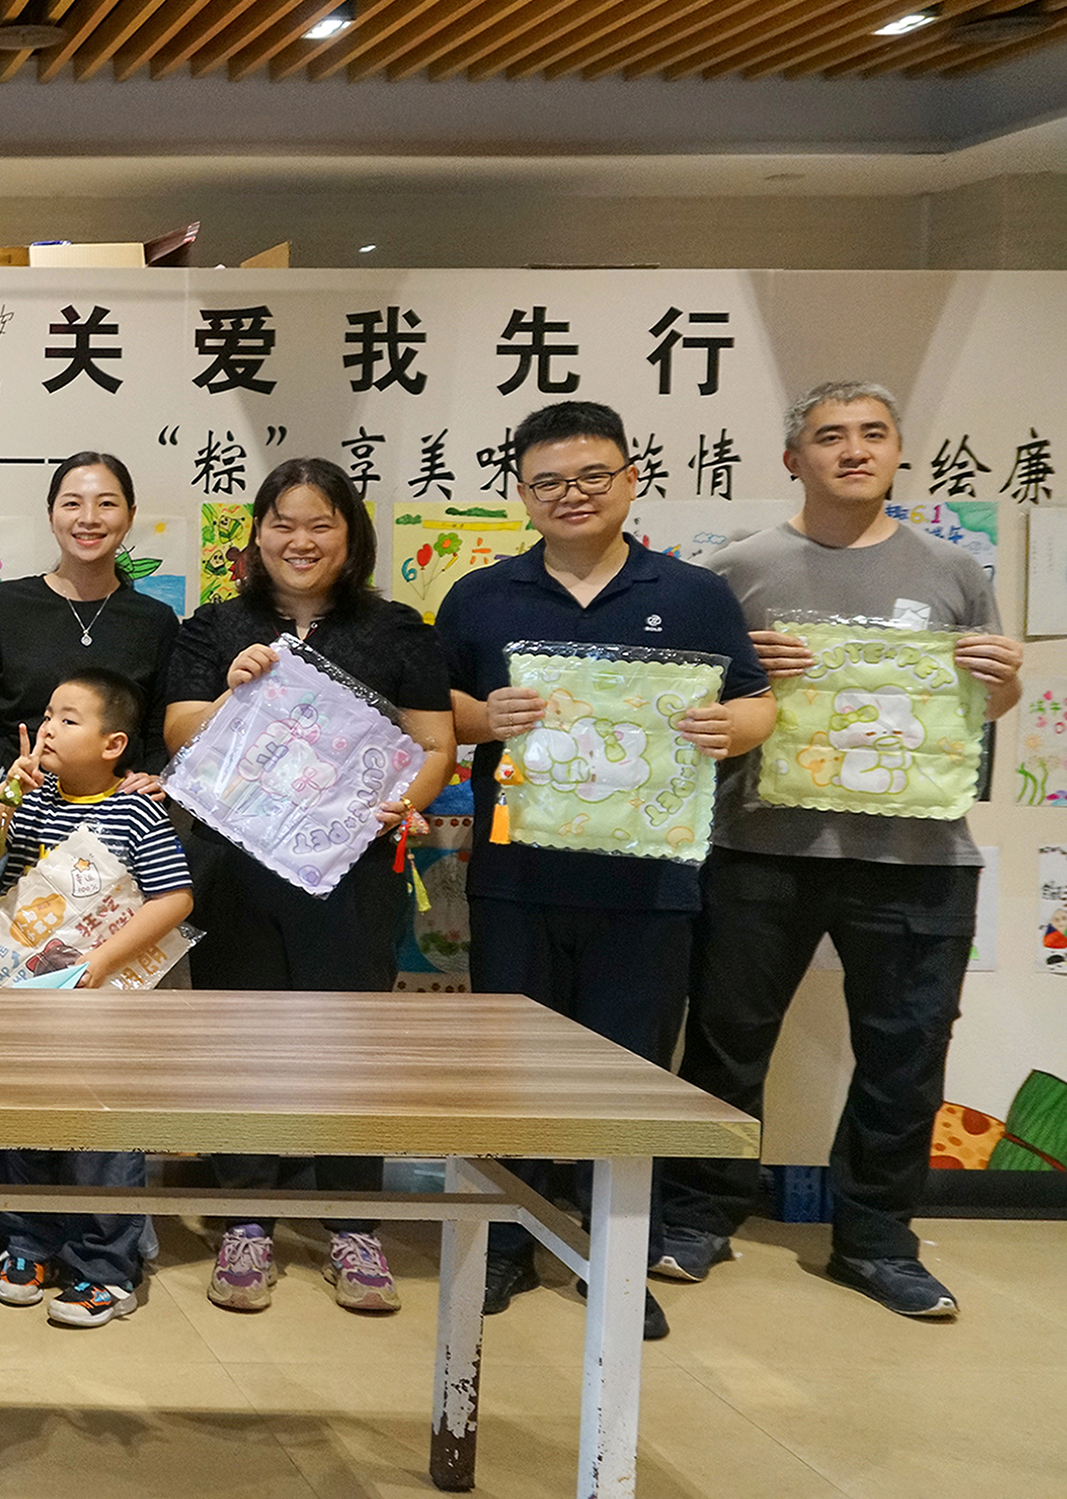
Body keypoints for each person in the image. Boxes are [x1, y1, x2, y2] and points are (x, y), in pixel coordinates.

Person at [657, 382, 1021, 1320]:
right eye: (828, 436)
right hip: (758, 844)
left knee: (905, 1056)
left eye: (871, 433)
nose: (852, 450)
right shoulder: (734, 570)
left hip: (921, 858)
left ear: (897, 450)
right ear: (793, 458)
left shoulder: (953, 568)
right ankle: (696, 1217)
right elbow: (691, 701)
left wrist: (1002, 681)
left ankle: (876, 1241)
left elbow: (980, 712)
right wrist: (743, 677)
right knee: (726, 1043)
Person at [436, 401, 773, 1341]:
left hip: (650, 886)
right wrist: (483, 717)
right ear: (521, 493)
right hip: (515, 876)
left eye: (591, 475)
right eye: (547, 481)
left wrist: (730, 727)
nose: (571, 495)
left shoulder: (696, 593)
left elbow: (755, 703)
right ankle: (502, 1240)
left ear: (630, 479)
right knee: (507, 1068)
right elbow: (435, 708)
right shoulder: (481, 596)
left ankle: (618, 1253)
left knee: (631, 1073)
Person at [163, 456, 454, 1317]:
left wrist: (404, 801)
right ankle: (246, 1219)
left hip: (349, 871)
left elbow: (434, 744)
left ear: (350, 537)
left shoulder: (397, 630)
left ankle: (352, 1222)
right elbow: (177, 730)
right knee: (240, 1041)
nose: (300, 540)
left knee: (349, 1044)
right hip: (235, 869)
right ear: (256, 535)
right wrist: (232, 691)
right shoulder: (214, 627)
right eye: (283, 523)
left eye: (320, 523)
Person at [0, 669, 195, 1329]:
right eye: (46, 715)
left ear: (113, 743)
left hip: (102, 1005)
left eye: (68, 719)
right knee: (20, 1122)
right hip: (25, 998)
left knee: (103, 1133)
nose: (48, 729)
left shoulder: (136, 809)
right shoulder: (32, 797)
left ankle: (107, 1267)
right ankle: (25, 1243)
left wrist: (100, 961)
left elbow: (175, 898)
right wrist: (4, 794)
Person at [0, 452, 180, 788]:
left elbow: (158, 734)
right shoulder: (4, 604)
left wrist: (155, 780)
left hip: (113, 803)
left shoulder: (156, 621)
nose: (89, 518)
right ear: (51, 515)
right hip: (12, 794)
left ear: (130, 516)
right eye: (72, 504)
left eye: (106, 504)